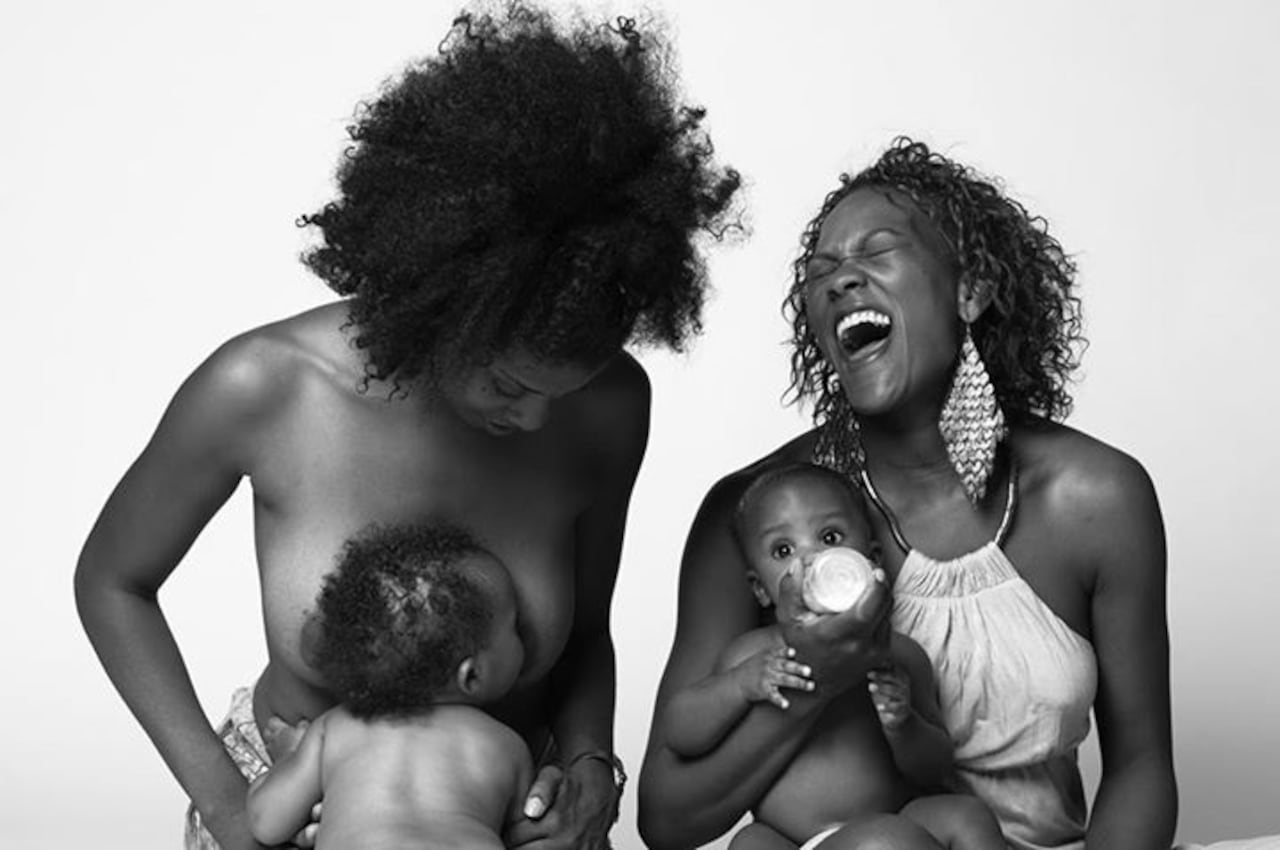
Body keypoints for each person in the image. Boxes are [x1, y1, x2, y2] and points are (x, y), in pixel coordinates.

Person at [73, 4, 740, 849]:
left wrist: (588, 775)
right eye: (509, 383)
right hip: (297, 820)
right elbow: (113, 584)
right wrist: (228, 805)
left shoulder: (607, 406)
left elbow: (585, 635)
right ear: (443, 307)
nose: (538, 417)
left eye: (562, 390)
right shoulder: (266, 386)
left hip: (516, 819)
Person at [638, 138, 1177, 850]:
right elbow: (668, 819)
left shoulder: (1096, 499)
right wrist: (822, 674)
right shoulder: (754, 515)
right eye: (821, 272)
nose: (840, 281)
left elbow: (1141, 767)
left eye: (877, 252)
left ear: (970, 290)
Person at [662, 462, 1004, 850]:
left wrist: (904, 725)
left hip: (895, 821)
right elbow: (681, 734)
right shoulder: (751, 655)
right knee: (749, 843)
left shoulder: (900, 655)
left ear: (871, 559)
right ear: (759, 589)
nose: (811, 559)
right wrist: (739, 686)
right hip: (790, 840)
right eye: (783, 550)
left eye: (829, 538)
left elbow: (936, 768)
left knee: (968, 816)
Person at [246, 522, 532, 850]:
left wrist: (291, 759)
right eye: (516, 628)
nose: (525, 637)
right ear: (471, 676)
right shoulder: (507, 746)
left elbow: (266, 824)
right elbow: (527, 836)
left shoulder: (336, 729)